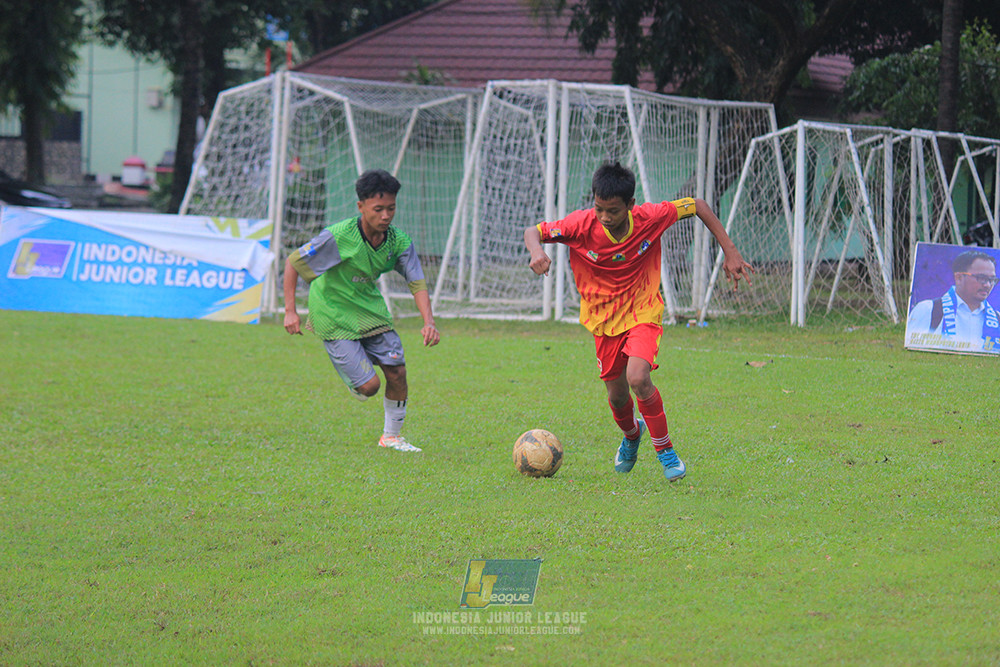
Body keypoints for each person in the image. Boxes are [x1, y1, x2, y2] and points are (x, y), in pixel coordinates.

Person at [523, 161, 754, 480]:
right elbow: (534, 232)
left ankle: (666, 451)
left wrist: (730, 250)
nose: (605, 217)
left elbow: (698, 205)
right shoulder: (580, 224)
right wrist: (536, 252)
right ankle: (632, 435)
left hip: (643, 310)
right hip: (603, 319)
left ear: (631, 204)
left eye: (613, 211)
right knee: (617, 397)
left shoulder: (651, 217)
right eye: (599, 208)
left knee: (638, 377)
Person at [283, 169, 440, 452]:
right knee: (370, 387)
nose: (386, 216)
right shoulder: (339, 236)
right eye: (378, 209)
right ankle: (355, 374)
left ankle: (391, 438)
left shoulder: (398, 241)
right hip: (332, 312)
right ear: (361, 206)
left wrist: (429, 322)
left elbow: (417, 282)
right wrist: (290, 311)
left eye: (391, 208)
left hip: (369, 309)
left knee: (397, 372)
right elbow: (294, 262)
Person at [906, 249, 999, 349]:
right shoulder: (928, 310)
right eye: (981, 278)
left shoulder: (997, 318)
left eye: (992, 280)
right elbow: (912, 350)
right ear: (959, 278)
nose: (987, 285)